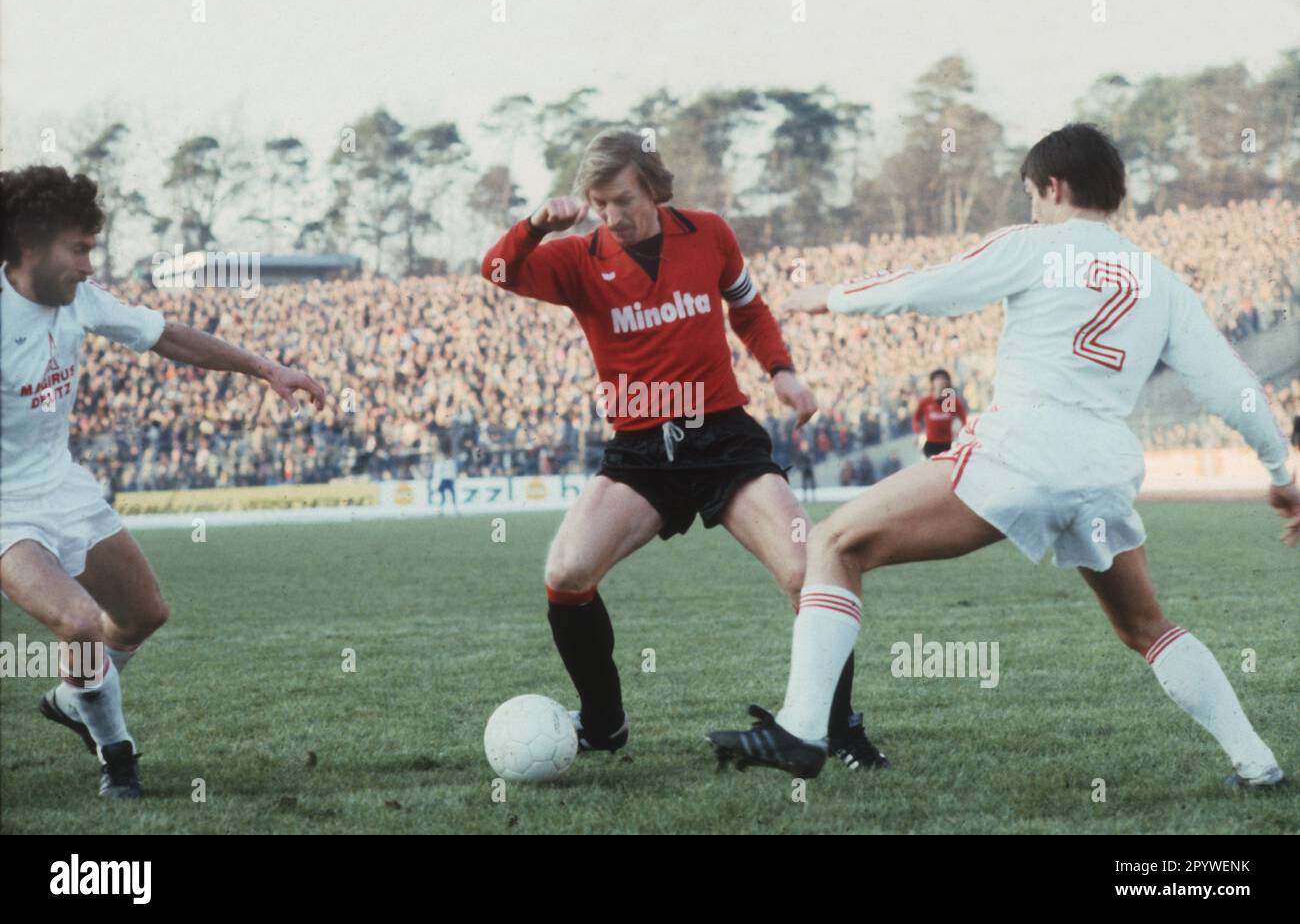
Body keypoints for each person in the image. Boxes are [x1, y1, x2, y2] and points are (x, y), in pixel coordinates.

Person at [708, 124, 1299, 788]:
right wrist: (1282, 474)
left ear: (1054, 185)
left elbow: (936, 285)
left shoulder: (1035, 245)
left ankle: (802, 728)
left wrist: (833, 296)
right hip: (1104, 468)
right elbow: (1234, 387)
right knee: (1146, 626)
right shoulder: (1159, 280)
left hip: (1024, 450)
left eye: (1031, 195)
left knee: (834, 543)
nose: (1032, 209)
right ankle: (1258, 761)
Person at [480, 129, 885, 770]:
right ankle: (606, 725)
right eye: (598, 202)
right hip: (641, 450)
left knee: (811, 573)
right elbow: (498, 271)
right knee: (565, 575)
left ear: (653, 188)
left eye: (622, 199)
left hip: (723, 436)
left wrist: (780, 369)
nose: (612, 216)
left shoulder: (710, 234)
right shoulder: (577, 257)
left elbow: (748, 309)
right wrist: (533, 225)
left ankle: (836, 730)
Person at [0, 166, 328, 798]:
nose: (89, 266)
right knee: (78, 624)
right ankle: (117, 757)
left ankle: (75, 700)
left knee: (145, 613)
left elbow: (168, 337)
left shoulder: (81, 302)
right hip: (6, 511)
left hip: (64, 488)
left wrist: (267, 369)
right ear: (29, 244)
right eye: (79, 249)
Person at [913, 368, 967, 456]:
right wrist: (917, 432)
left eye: (944, 379)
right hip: (931, 445)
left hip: (947, 445)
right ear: (932, 382)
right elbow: (916, 417)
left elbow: (963, 417)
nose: (941, 381)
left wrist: (961, 430)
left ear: (948, 383)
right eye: (938, 379)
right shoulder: (926, 402)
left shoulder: (952, 401)